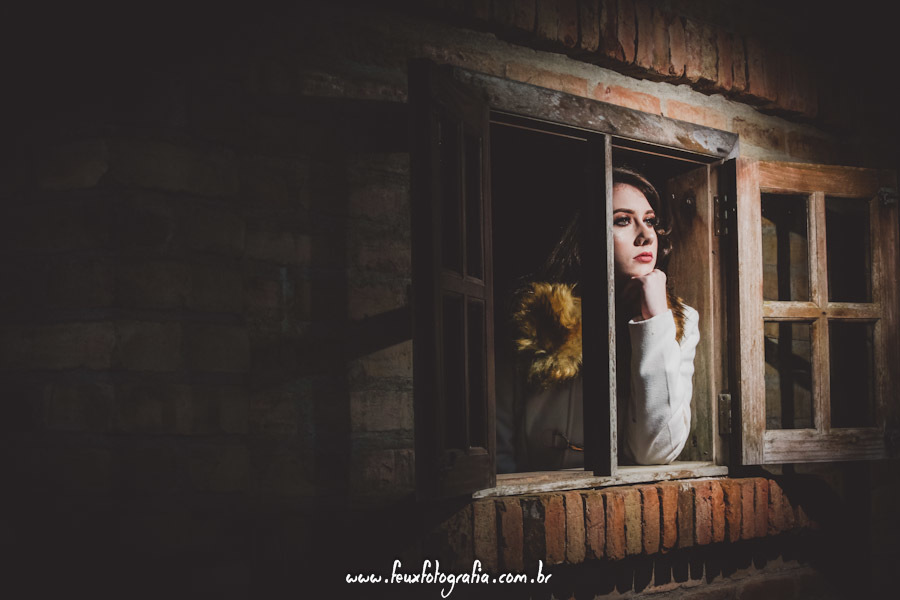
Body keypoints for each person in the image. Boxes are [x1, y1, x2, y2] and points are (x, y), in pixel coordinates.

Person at [497, 166, 699, 470]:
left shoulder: (681, 321)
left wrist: (655, 320)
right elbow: (497, 445)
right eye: (623, 220)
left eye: (649, 221)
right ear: (586, 233)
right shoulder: (535, 314)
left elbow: (655, 451)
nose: (646, 235)